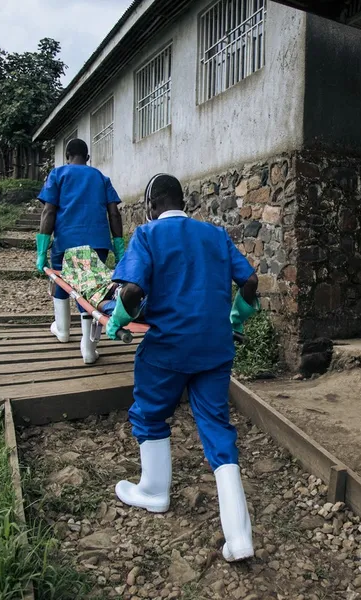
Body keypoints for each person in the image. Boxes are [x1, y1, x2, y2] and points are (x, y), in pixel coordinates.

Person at [105, 173, 260, 562]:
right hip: (215, 347)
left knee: (150, 414)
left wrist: (119, 319)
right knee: (216, 427)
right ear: (183, 202)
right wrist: (238, 315)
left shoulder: (147, 235)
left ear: (153, 204)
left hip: (168, 350)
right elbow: (250, 279)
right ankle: (238, 537)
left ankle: (155, 491)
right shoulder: (215, 235)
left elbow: (133, 291)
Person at [35, 138, 126, 365]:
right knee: (92, 289)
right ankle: (88, 346)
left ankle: (63, 330)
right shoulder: (100, 178)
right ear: (87, 158)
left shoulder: (57, 175)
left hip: (66, 242)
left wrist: (41, 250)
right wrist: (119, 247)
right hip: (98, 243)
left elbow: (48, 212)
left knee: (62, 280)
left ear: (67, 156)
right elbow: (114, 213)